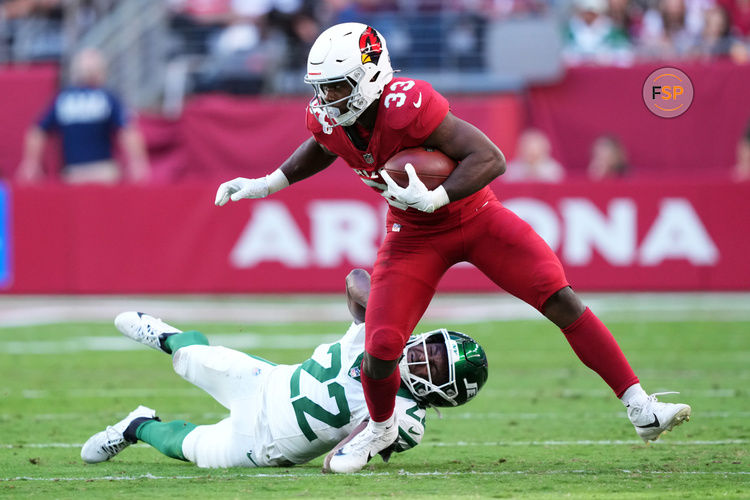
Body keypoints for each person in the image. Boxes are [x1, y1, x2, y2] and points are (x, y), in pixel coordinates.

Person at [214, 23, 691, 473]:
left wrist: (437, 195)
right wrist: (268, 183)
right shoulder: (330, 115)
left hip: (475, 216)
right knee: (381, 347)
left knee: (559, 297)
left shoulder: (409, 103)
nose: (326, 98)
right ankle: (380, 429)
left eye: (338, 86)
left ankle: (640, 406)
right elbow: (325, 141)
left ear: (369, 75)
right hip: (412, 233)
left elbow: (490, 157)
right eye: (323, 87)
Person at [80, 268, 489, 469]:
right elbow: (356, 279)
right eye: (432, 347)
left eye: (436, 365)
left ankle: (137, 426)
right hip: (266, 383)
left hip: (265, 446)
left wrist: (374, 434)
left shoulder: (408, 417)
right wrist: (385, 307)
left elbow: (337, 464)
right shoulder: (383, 335)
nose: (423, 356)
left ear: (441, 393)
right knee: (190, 358)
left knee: (186, 448)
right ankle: (168, 336)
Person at [16, 48, 150, 185]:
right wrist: (138, 162)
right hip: (101, 172)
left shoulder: (64, 98)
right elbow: (128, 130)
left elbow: (37, 131)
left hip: (75, 173)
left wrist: (31, 162)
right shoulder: (106, 97)